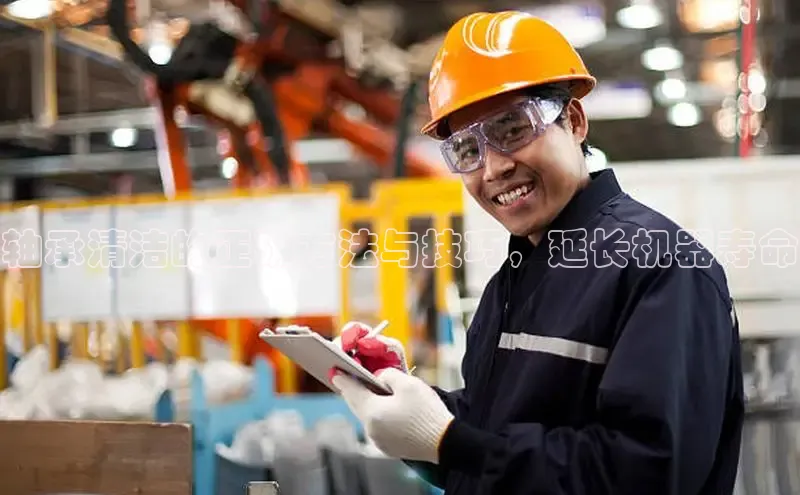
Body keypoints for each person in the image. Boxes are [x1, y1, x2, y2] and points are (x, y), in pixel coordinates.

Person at [330, 10, 745, 495]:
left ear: (574, 121)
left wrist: (450, 442)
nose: (493, 169)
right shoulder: (512, 281)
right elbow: (495, 432)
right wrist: (406, 399)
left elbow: (646, 474)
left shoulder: (661, 266)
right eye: (467, 150)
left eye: (513, 129)